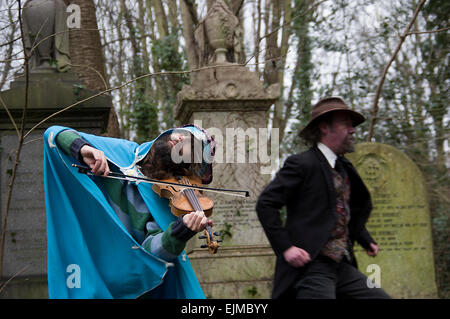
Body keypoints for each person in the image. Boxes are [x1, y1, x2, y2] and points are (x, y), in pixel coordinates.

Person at [43, 124, 215, 299]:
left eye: (190, 146)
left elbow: (151, 254)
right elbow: (53, 134)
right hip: (87, 250)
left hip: (123, 277)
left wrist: (179, 232)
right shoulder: (122, 150)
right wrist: (83, 148)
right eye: (183, 135)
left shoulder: (168, 201)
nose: (181, 140)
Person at [256, 97, 391, 299]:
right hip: (311, 265)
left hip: (340, 264)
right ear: (325, 128)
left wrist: (364, 238)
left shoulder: (344, 167)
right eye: (346, 124)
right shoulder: (302, 164)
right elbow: (265, 204)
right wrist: (286, 248)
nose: (353, 130)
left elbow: (342, 208)